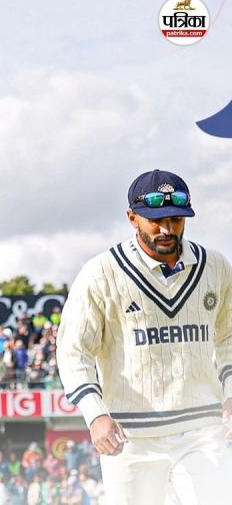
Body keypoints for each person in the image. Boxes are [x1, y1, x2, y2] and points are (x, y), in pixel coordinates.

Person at [57, 169, 232, 505]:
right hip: (130, 435)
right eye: (156, 220)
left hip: (202, 429)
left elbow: (228, 339)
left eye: (176, 220)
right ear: (132, 217)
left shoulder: (215, 267)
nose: (167, 230)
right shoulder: (101, 273)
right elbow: (72, 351)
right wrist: (95, 414)